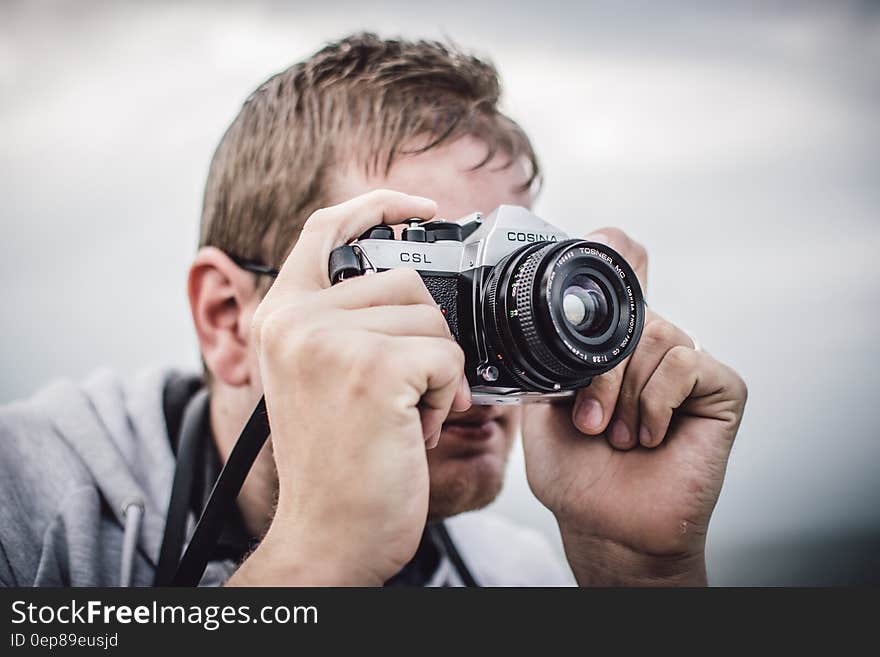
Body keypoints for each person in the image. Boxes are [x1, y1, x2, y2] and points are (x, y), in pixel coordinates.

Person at [0, 33, 747, 587]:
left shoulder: (514, 575)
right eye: (426, 283)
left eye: (508, 278)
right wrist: (318, 557)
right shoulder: (27, 508)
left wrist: (637, 576)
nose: (473, 348)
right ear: (229, 319)